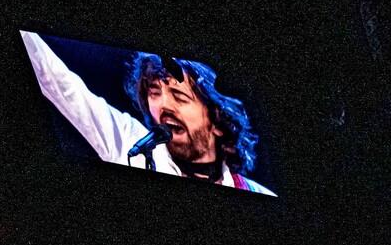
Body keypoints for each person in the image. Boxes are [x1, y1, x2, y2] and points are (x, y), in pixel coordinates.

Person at [20, 31, 276, 195]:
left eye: (180, 96)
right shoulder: (129, 142)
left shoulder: (258, 195)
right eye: (154, 92)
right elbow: (57, 80)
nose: (163, 106)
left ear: (218, 121)